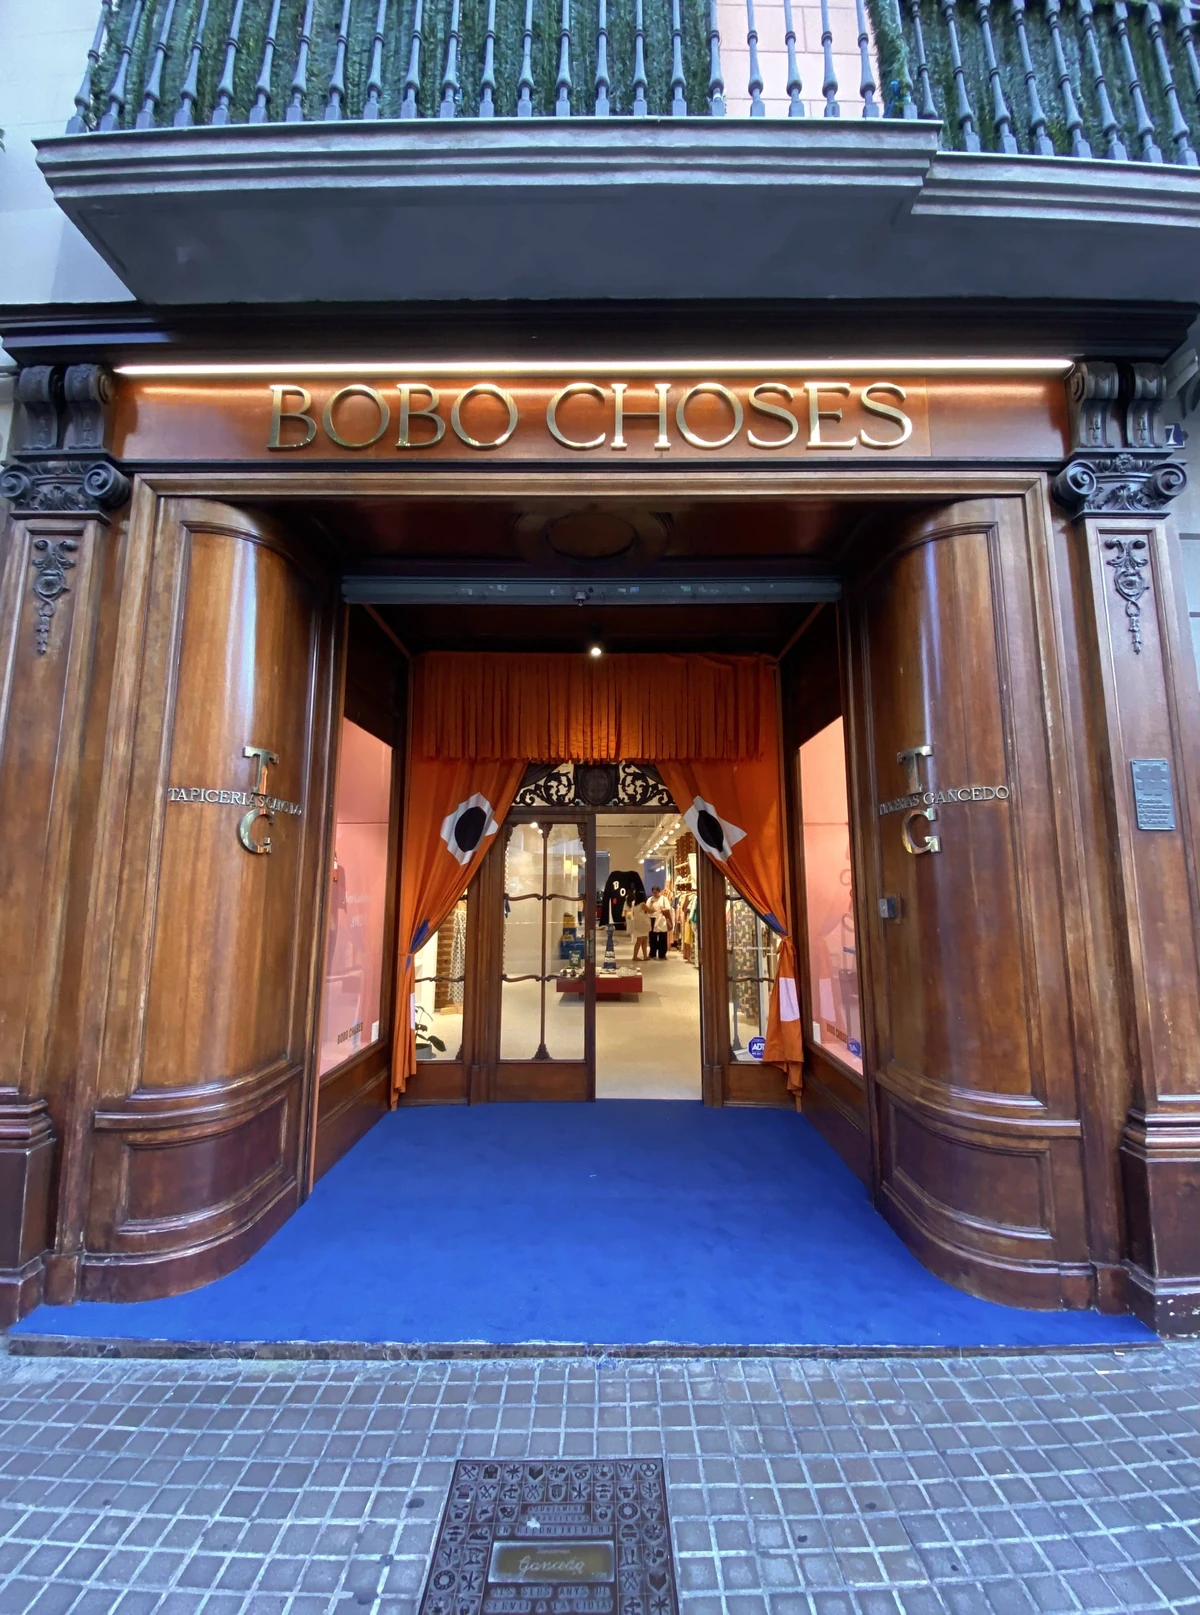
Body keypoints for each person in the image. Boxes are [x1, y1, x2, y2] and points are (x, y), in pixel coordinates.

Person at [646, 886, 673, 960]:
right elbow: (647, 909)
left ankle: (662, 954)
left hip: (662, 919)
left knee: (662, 937)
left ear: (659, 891)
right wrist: (651, 904)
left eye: (656, 892)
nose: (655, 894)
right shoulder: (650, 899)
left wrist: (663, 909)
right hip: (652, 919)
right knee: (652, 938)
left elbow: (668, 908)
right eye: (653, 892)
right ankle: (652, 953)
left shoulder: (664, 899)